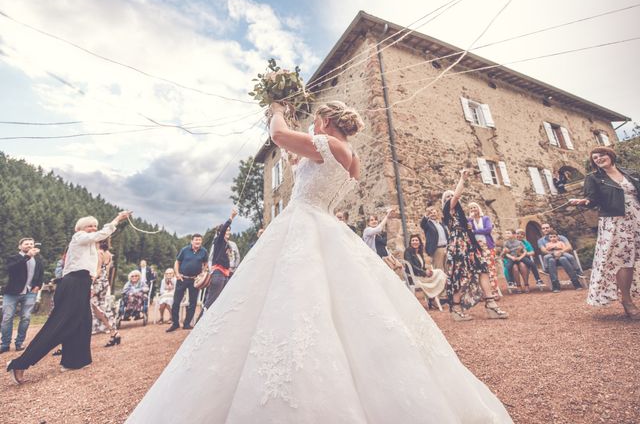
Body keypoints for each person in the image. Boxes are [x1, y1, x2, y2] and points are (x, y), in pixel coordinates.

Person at [126, 100, 512, 423]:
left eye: (315, 122)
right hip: (322, 223)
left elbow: (277, 136)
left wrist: (276, 109)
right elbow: (303, 166)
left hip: (303, 223)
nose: (313, 127)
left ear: (326, 121)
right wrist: (297, 146)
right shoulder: (348, 156)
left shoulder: (328, 143)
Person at [7, 210, 131, 385]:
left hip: (82, 284)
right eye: (90, 225)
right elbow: (101, 234)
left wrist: (93, 276)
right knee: (60, 324)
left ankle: (74, 361)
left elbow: (92, 260)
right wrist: (118, 219)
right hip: (72, 284)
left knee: (83, 322)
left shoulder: (90, 245)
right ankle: (19, 364)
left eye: (94, 225)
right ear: (80, 228)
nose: (93, 228)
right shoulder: (79, 236)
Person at [570, 146, 640, 318]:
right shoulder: (594, 178)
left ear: (610, 155)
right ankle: (626, 300)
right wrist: (583, 201)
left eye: (601, 155)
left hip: (637, 217)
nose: (599, 159)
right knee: (625, 260)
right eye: (595, 158)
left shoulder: (630, 173)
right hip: (616, 222)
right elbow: (592, 199)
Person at [442, 170, 508, 321]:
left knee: (483, 268)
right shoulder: (447, 210)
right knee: (460, 276)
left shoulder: (462, 217)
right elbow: (458, 195)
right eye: (447, 197)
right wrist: (462, 178)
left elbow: (470, 228)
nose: (451, 198)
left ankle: (491, 305)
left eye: (451, 196)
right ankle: (456, 309)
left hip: (469, 244)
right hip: (458, 244)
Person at [1, 238, 44, 353]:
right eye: (26, 244)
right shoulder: (13, 258)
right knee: (7, 318)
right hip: (11, 293)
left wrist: (38, 286)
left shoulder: (38, 260)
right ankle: (5, 344)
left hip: (30, 293)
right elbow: (11, 269)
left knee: (25, 318)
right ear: (20, 246)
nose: (29, 245)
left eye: (31, 244)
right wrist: (27, 257)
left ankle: (19, 343)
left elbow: (40, 274)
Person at [166, 234, 208, 332]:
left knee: (192, 303)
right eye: (196, 240)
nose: (198, 242)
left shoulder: (204, 251)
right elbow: (177, 262)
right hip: (182, 278)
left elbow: (205, 263)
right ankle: (175, 323)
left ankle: (186, 324)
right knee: (176, 302)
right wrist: (177, 274)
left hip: (195, 280)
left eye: (199, 240)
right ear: (191, 241)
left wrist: (202, 274)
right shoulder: (185, 250)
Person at [202, 209, 239, 311]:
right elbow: (223, 230)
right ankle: (200, 322)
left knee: (221, 301)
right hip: (218, 273)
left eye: (228, 230)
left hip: (225, 273)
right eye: (226, 230)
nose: (227, 232)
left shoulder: (226, 244)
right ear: (220, 233)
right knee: (211, 301)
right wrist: (231, 217)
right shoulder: (218, 240)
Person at [403, 234, 447, 308]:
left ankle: (432, 297)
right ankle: (432, 298)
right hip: (414, 277)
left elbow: (421, 266)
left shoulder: (419, 253)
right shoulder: (408, 251)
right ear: (410, 243)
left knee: (439, 272)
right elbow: (411, 266)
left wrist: (427, 270)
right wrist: (424, 272)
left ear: (419, 242)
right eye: (413, 240)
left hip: (420, 274)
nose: (414, 242)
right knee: (437, 274)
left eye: (416, 240)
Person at [90, 239, 119, 346]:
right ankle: (113, 332)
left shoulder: (98, 253)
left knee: (94, 306)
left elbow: (97, 270)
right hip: (105, 282)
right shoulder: (109, 254)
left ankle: (111, 330)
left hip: (97, 282)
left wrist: (91, 282)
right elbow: (106, 271)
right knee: (102, 307)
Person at [467, 202, 499, 295]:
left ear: (478, 208)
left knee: (490, 269)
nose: (473, 209)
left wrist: (475, 231)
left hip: (487, 246)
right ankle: (484, 293)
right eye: (471, 208)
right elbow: (468, 231)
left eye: (475, 207)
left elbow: (488, 229)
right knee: (480, 270)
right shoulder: (470, 220)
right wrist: (470, 219)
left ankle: (494, 292)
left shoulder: (485, 218)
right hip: (476, 248)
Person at [420, 207, 449, 274]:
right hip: (437, 249)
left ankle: (447, 284)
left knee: (447, 268)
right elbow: (422, 224)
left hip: (446, 248)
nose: (433, 214)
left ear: (437, 214)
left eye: (434, 212)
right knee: (439, 269)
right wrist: (426, 215)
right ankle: (440, 284)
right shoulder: (427, 224)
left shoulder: (441, 223)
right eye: (431, 213)